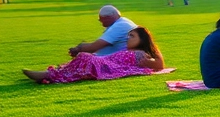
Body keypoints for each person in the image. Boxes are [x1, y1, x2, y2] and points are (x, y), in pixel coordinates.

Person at [24, 26, 165, 83]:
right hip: (103, 61)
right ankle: (52, 74)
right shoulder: (129, 51)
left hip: (106, 66)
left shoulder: (140, 54)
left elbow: (159, 65)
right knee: (83, 58)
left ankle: (49, 75)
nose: (128, 38)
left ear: (142, 39)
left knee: (85, 57)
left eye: (132, 36)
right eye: (128, 36)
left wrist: (153, 47)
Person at [68, 5, 139, 57]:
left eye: (101, 18)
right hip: (116, 56)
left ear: (108, 17)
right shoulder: (123, 22)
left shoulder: (120, 26)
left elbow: (93, 47)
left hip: (114, 60)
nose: (99, 20)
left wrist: (78, 48)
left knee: (83, 59)